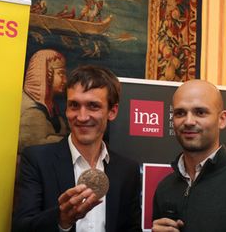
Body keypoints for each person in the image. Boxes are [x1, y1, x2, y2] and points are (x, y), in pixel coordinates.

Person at [12, 65, 141, 232]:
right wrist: (61, 219)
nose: (82, 116)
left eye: (93, 106)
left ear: (112, 111)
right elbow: (21, 227)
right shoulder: (37, 160)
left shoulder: (127, 170)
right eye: (74, 105)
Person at [152, 80, 226, 232]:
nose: (189, 121)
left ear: (222, 119)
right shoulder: (164, 188)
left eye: (200, 112)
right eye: (180, 113)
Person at [18, 49, 68, 152]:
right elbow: (34, 145)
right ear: (47, 74)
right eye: (61, 74)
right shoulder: (31, 111)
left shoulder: (51, 107)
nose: (65, 80)